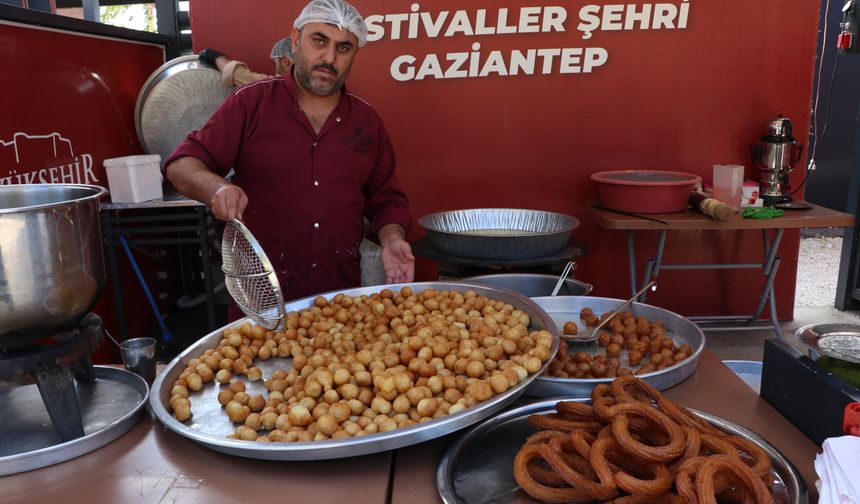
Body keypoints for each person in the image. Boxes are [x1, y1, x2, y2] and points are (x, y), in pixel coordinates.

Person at [165, 0, 414, 319]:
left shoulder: (365, 121)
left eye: (344, 47)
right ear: (296, 41)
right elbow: (182, 164)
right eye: (319, 41)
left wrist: (392, 239)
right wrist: (215, 189)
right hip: (260, 306)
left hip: (339, 308)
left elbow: (387, 199)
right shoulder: (251, 104)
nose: (329, 58)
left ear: (355, 54)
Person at [199, 37, 294, 87]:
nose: (274, 68)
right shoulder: (306, 85)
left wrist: (216, 56)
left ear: (285, 61)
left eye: (275, 63)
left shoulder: (280, 86)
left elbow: (237, 74)